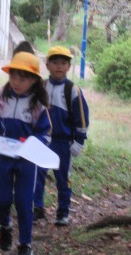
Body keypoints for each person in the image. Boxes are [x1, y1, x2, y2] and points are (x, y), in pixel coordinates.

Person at [0, 52, 51, 255]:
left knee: (24, 201)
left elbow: (45, 134)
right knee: (2, 198)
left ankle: (25, 244)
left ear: (34, 80)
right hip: (3, 157)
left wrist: (32, 142)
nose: (16, 82)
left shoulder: (38, 105)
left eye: (23, 78)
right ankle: (5, 226)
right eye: (13, 76)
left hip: (27, 161)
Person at [33, 46, 89, 226]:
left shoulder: (72, 90)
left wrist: (79, 141)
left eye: (63, 63)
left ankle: (63, 212)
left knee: (63, 178)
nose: (59, 66)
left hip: (63, 142)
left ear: (69, 67)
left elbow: (81, 117)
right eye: (55, 62)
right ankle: (37, 207)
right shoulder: (41, 87)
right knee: (37, 174)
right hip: (43, 140)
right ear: (47, 65)